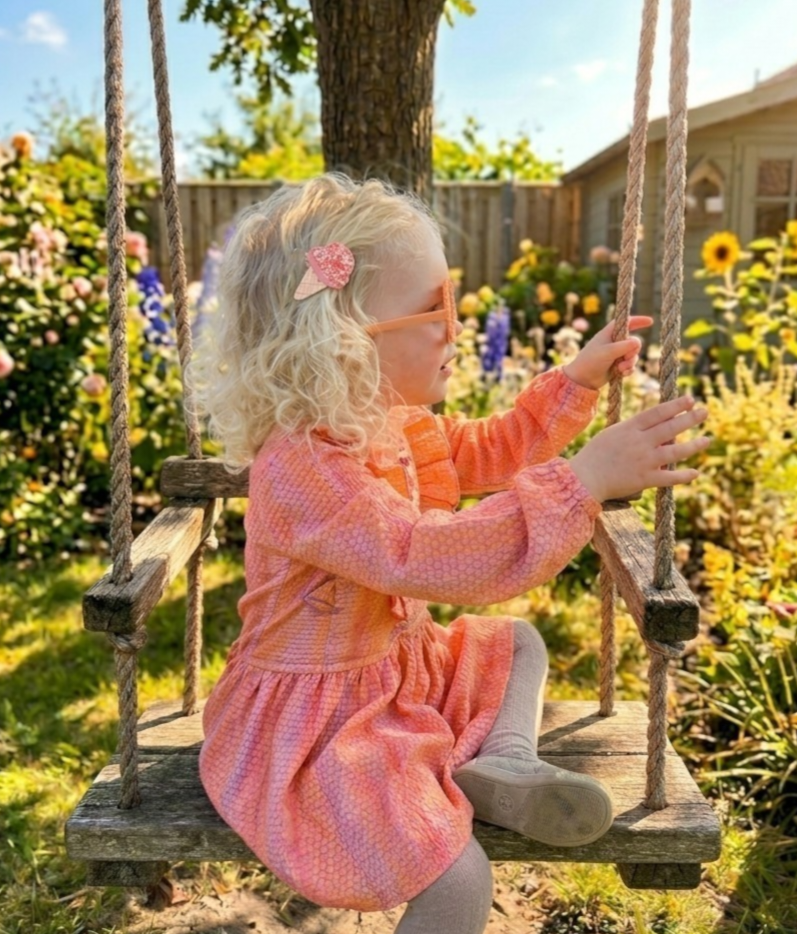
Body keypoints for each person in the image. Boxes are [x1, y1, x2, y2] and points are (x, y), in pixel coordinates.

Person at [188, 173, 709, 934]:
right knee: (457, 875)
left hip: (391, 673)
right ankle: (479, 779)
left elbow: (491, 448)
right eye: (433, 307)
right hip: (318, 724)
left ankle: (502, 762)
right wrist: (584, 481)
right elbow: (419, 552)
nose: (455, 327)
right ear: (339, 334)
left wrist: (574, 381)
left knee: (516, 643)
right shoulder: (302, 468)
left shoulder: (388, 422)